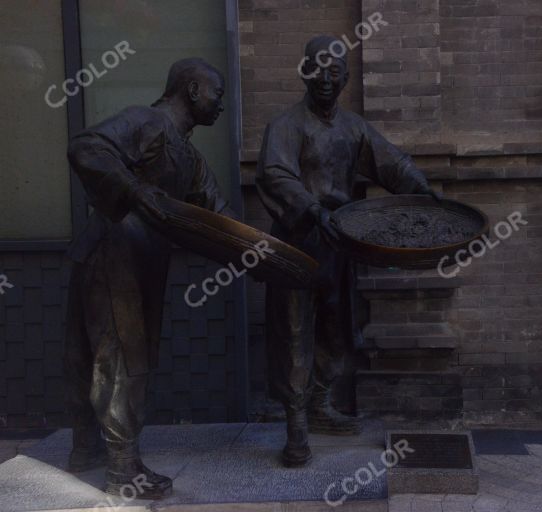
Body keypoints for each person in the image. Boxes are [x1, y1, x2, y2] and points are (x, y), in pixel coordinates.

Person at [256, 36, 439, 467]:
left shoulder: (354, 128)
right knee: (295, 335)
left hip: (338, 247)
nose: (325, 78)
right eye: (318, 69)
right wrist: (311, 209)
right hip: (296, 245)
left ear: (346, 78)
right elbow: (275, 175)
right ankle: (296, 425)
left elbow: (391, 163)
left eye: (335, 71)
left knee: (335, 331)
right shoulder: (284, 126)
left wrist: (424, 193)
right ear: (304, 72)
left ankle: (321, 404)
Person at [65, 58, 234, 498]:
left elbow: (219, 215)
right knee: (122, 356)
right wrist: (136, 190)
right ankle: (121, 469)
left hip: (141, 261)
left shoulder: (189, 157)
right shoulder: (146, 120)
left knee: (102, 355)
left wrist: (264, 252)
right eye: (218, 92)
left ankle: (87, 449)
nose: (222, 104)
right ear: (193, 89)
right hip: (113, 254)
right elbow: (86, 146)